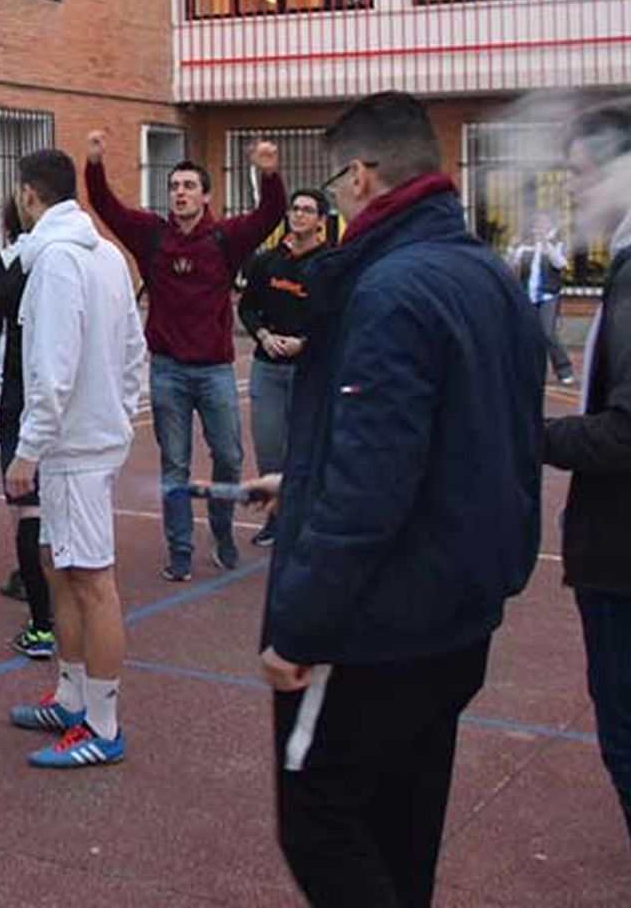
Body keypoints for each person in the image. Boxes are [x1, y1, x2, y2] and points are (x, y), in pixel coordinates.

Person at [258, 92, 541, 907]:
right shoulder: (484, 272)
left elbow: (371, 489)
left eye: (338, 184)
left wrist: (298, 626)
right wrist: (300, 480)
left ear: (361, 176)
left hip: (375, 630)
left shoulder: (390, 289)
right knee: (403, 829)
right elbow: (465, 437)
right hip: (456, 615)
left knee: (321, 822)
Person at [84, 132, 284, 582]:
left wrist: (268, 173)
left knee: (230, 458)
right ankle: (179, 548)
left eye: (190, 186)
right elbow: (106, 206)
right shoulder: (151, 236)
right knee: (174, 462)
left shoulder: (225, 238)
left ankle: (223, 531)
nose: (180, 193)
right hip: (168, 371)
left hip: (214, 371)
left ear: (206, 195)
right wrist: (95, 163)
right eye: (175, 186)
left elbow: (271, 214)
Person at [2, 151, 147, 768]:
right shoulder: (107, 254)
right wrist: (120, 414)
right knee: (58, 568)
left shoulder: (60, 261)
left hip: (73, 448)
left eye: (16, 195)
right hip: (84, 441)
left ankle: (104, 726)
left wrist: (28, 449)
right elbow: (134, 351)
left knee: (91, 580)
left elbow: (52, 371)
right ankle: (71, 696)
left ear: (30, 196)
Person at [545, 100, 631, 847]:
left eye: (578, 175)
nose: (572, 192)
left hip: (622, 560)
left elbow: (622, 436)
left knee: (626, 738)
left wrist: (524, 432)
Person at [0, 196, 54, 659]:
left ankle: (42, 624)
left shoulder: (7, 262)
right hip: (72, 400)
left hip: (25, 395)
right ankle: (69, 609)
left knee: (28, 506)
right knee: (64, 508)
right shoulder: (97, 256)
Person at [236, 188, 331, 548]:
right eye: (295, 209)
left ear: (321, 220)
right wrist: (261, 335)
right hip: (268, 369)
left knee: (307, 447)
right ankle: (276, 520)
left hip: (309, 370)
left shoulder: (329, 264)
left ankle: (306, 522)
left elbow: (339, 317)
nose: (299, 215)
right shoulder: (267, 262)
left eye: (308, 210)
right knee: (270, 449)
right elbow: (247, 309)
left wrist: (305, 343)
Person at [510, 210, 579, 386]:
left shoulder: (556, 243)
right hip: (528, 295)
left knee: (547, 333)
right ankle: (529, 371)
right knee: (527, 334)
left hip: (548, 294)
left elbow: (560, 263)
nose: (539, 226)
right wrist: (512, 248)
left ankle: (564, 369)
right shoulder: (525, 244)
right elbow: (511, 264)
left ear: (550, 224)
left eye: (544, 222)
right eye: (537, 222)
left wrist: (545, 244)